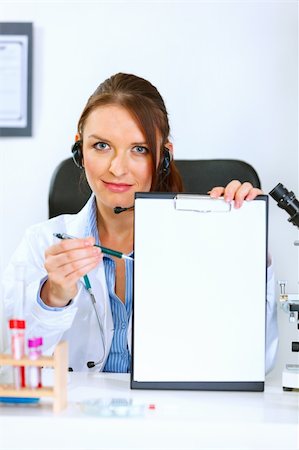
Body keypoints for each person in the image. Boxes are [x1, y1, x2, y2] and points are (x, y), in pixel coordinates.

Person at [2, 73, 278, 373]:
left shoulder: (205, 241)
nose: (117, 168)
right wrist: (53, 298)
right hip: (76, 417)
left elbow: (256, 361)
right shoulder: (41, 243)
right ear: (79, 149)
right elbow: (13, 366)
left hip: (175, 416)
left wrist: (245, 247)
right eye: (102, 146)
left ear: (164, 156)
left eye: (139, 149)